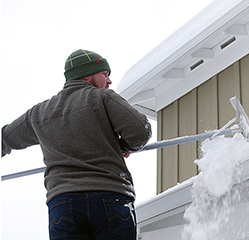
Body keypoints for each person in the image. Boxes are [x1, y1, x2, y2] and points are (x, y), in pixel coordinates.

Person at [1, 49, 152, 240]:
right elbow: (141, 130)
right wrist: (123, 146)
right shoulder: (103, 97)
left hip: (63, 204)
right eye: (105, 74)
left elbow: (4, 138)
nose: (109, 81)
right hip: (110, 197)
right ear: (87, 75)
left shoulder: (39, 113)